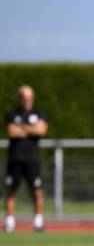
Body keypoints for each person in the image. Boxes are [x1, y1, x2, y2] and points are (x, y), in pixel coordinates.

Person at [4, 85, 48, 233]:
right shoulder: (12, 114)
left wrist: (22, 128)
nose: (27, 101)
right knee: (11, 191)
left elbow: (42, 130)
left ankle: (38, 222)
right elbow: (11, 131)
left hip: (32, 160)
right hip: (15, 160)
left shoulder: (39, 113)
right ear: (19, 98)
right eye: (24, 97)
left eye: (29, 98)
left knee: (37, 190)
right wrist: (30, 128)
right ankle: (9, 223)